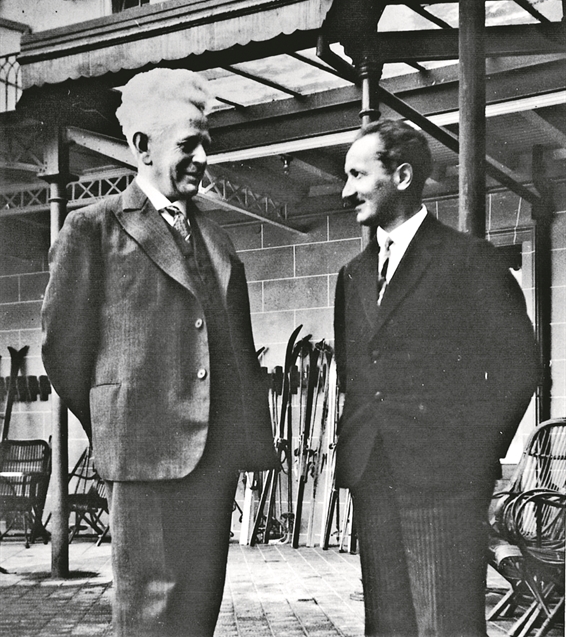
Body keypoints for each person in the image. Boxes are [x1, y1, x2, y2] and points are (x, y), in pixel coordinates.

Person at [41, 68, 277, 637]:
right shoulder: (92, 229)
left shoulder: (217, 240)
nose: (202, 158)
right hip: (144, 460)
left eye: (205, 145)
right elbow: (63, 352)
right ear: (142, 147)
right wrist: (120, 423)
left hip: (214, 464)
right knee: (151, 621)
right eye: (188, 145)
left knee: (198, 616)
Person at [334, 119, 539, 636]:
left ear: (402, 176)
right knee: (388, 626)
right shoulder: (352, 274)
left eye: (358, 175)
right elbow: (353, 375)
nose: (346, 192)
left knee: (446, 625)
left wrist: (472, 454)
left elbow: (519, 367)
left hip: (446, 482)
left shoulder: (469, 260)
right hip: (371, 474)